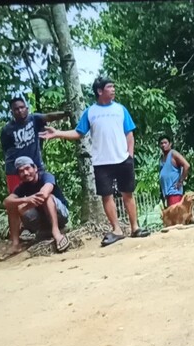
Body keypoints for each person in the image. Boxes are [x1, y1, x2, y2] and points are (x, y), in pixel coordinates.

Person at [40, 77, 151, 247]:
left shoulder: (120, 109)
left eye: (113, 86)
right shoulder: (90, 112)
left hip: (122, 159)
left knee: (127, 193)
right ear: (100, 91)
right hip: (101, 162)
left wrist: (130, 156)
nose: (113, 89)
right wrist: (57, 133)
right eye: (110, 87)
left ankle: (135, 227)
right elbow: (78, 133)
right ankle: (117, 230)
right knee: (106, 196)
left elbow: (129, 134)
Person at [0, 156, 71, 261]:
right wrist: (26, 200)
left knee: (48, 197)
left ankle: (56, 233)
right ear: (18, 175)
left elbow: (44, 194)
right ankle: (15, 244)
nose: (26, 173)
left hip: (60, 215)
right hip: (39, 221)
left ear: (35, 168)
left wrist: (25, 207)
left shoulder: (46, 176)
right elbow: (6, 202)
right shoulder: (22, 187)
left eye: (28, 168)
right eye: (21, 171)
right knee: (12, 206)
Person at [0, 96, 70, 193]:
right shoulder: (7, 130)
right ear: (12, 113)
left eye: (22, 107)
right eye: (16, 109)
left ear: (27, 109)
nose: (20, 111)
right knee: (17, 199)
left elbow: (48, 117)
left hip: (35, 166)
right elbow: (5, 150)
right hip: (15, 170)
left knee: (40, 195)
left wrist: (65, 113)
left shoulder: (34, 119)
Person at [158, 135, 190, 207]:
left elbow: (186, 165)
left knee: (175, 215)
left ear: (170, 144)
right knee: (172, 216)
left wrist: (180, 181)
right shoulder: (161, 159)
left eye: (165, 143)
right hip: (167, 193)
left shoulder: (173, 154)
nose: (163, 145)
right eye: (161, 143)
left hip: (174, 191)